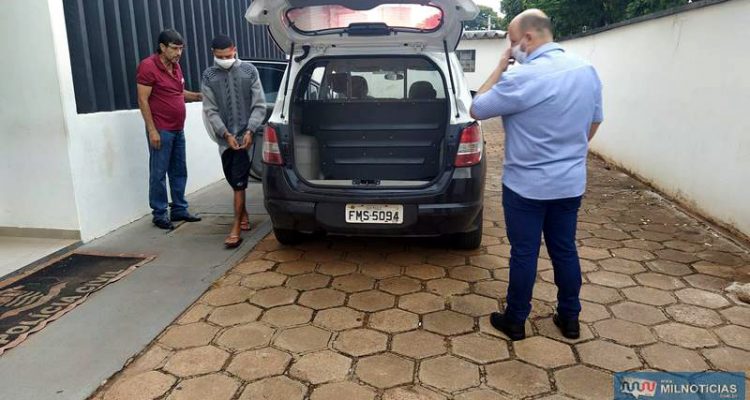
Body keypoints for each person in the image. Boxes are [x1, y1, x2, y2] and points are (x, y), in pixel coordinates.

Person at [470, 9, 603, 340]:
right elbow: (596, 121)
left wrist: (501, 66)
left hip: (525, 187)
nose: (511, 48)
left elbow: (478, 108)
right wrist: (567, 153)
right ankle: (570, 319)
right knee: (565, 250)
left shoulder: (522, 77)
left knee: (524, 253)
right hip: (570, 183)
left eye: (512, 42)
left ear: (527, 38)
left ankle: (516, 320)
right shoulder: (586, 70)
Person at [201, 35, 266, 248]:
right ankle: (244, 212)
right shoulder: (209, 76)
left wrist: (250, 130)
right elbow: (211, 110)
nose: (225, 59)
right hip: (225, 140)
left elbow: (259, 105)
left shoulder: (249, 71)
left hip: (247, 138)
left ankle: (236, 226)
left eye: (228, 55)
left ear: (234, 50)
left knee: (239, 183)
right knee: (232, 179)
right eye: (220, 56)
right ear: (213, 54)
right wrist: (225, 134)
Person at [137, 29, 203, 230]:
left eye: (181, 49)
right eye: (174, 48)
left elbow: (177, 93)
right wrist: (152, 130)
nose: (178, 53)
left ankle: (179, 209)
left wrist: (199, 96)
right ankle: (159, 213)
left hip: (177, 129)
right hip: (161, 130)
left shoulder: (176, 67)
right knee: (158, 173)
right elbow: (143, 99)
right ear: (162, 47)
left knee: (179, 170)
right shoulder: (148, 67)